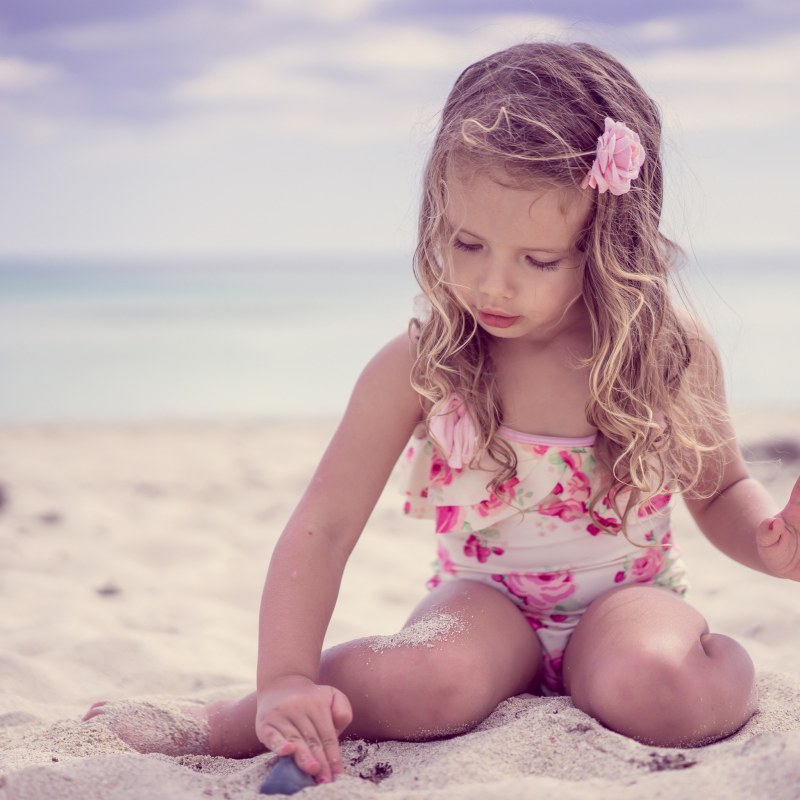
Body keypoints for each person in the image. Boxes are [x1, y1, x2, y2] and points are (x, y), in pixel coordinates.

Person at [83, 40, 800, 785]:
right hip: (484, 607)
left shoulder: (668, 352)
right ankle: (227, 719)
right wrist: (287, 677)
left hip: (628, 601)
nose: (494, 284)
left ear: (608, 243)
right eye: (467, 242)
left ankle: (696, 672)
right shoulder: (424, 365)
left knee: (660, 689)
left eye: (538, 259)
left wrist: (770, 544)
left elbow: (718, 491)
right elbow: (324, 526)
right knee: (432, 681)